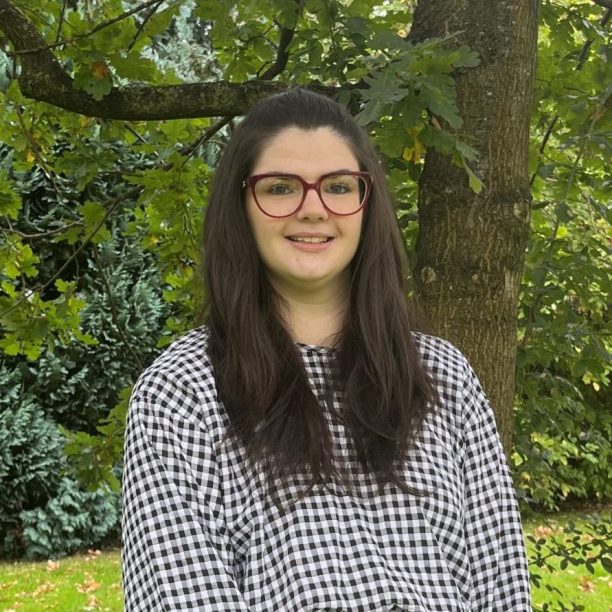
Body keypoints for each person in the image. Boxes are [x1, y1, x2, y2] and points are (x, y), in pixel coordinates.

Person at [122, 88, 531, 611]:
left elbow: (502, 585)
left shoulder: (442, 375)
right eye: (280, 188)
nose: (313, 210)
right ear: (240, 206)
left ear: (367, 203)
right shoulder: (183, 392)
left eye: (338, 187)